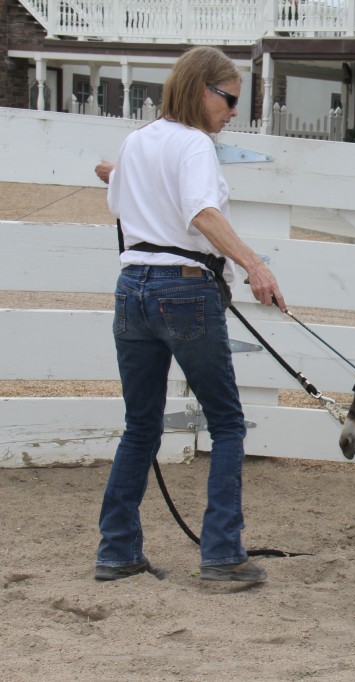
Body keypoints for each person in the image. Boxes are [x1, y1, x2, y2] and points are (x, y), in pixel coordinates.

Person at [94, 46, 286, 583]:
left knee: (140, 426)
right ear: (202, 90)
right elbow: (200, 213)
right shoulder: (196, 144)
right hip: (183, 289)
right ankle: (222, 554)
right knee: (226, 423)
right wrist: (254, 265)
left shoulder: (138, 141)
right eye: (228, 101)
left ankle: (116, 551)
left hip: (132, 288)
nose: (231, 113)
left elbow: (125, 200)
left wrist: (118, 173)